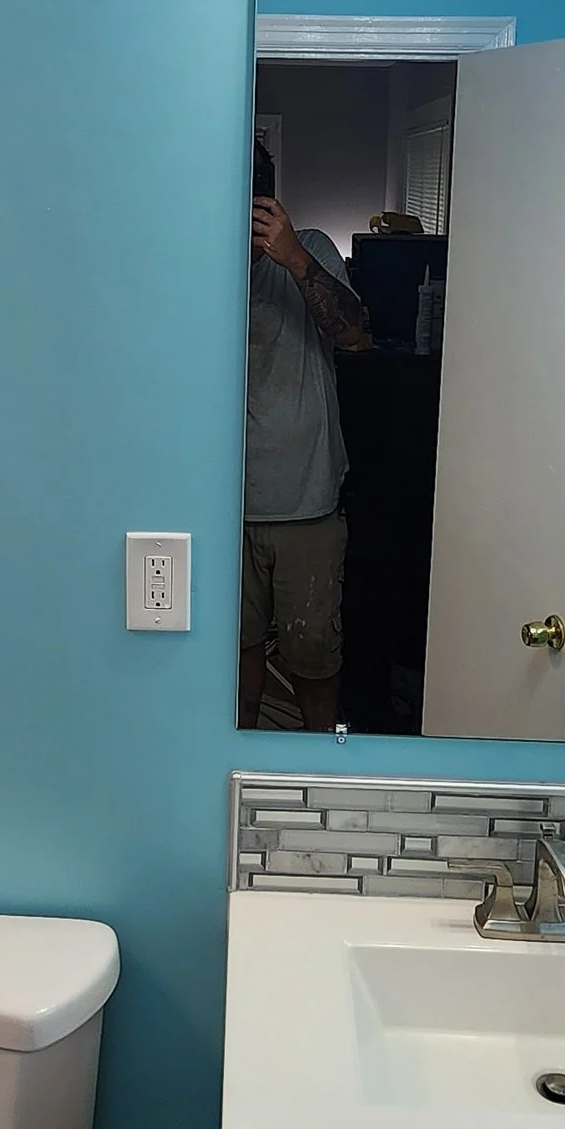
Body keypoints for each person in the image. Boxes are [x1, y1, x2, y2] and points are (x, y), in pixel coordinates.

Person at [243, 139, 370, 730]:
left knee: (313, 655)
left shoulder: (312, 248)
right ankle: (238, 756)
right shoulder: (189, 255)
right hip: (221, 505)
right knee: (232, 654)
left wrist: (291, 256)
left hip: (307, 498)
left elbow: (353, 335)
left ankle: (323, 762)